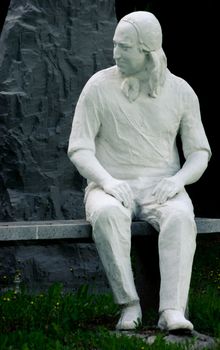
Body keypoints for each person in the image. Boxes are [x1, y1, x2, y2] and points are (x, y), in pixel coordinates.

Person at [68, 11, 211, 331]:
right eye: (115, 45)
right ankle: (129, 305)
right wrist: (105, 180)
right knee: (107, 215)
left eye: (125, 47)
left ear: (147, 52)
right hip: (110, 184)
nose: (115, 53)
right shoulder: (98, 86)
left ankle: (172, 311)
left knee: (180, 217)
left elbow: (200, 152)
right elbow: (79, 147)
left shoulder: (181, 92)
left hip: (163, 185)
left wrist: (178, 181)